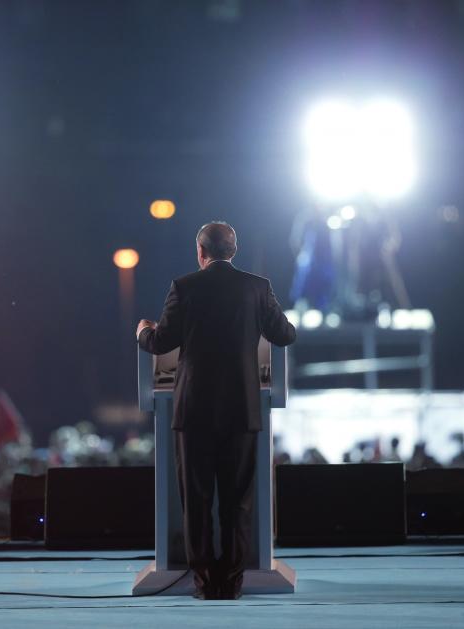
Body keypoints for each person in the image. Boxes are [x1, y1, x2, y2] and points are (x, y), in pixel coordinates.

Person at [136, 222, 296, 600]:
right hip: (241, 410)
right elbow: (285, 335)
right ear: (234, 249)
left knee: (198, 500)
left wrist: (142, 330)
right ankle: (232, 582)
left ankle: (206, 583)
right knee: (236, 502)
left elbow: (162, 342)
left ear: (199, 251)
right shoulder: (258, 288)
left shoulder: (184, 287)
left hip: (194, 412)